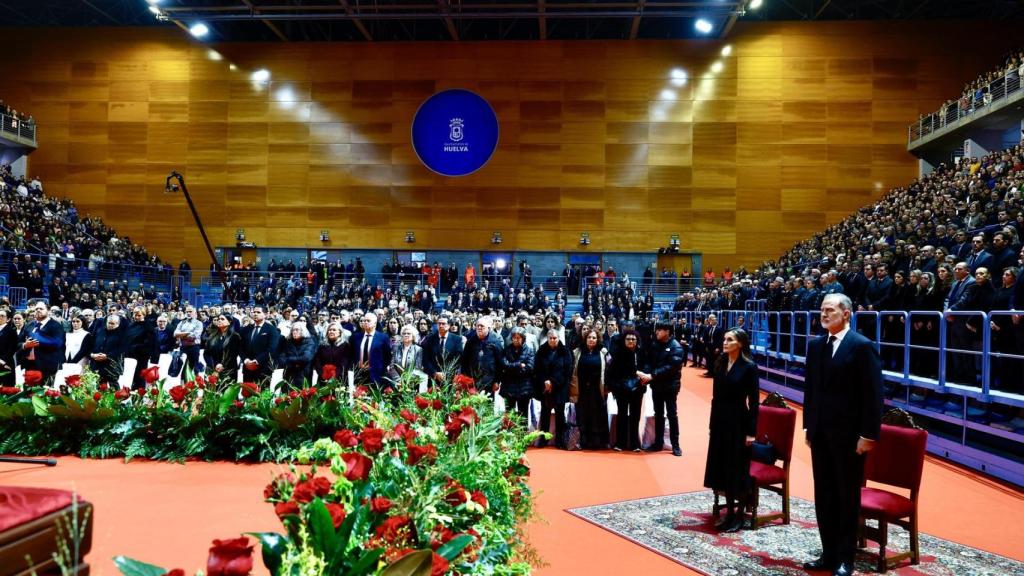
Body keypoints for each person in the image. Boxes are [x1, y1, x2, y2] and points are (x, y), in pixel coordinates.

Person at [802, 293, 883, 576]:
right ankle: (828, 553)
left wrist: (869, 434)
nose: (824, 315)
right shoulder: (815, 346)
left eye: (830, 310)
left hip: (850, 438)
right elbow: (811, 391)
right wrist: (808, 426)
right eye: (822, 310)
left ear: (846, 313)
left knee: (846, 497)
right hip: (821, 435)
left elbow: (873, 395)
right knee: (824, 495)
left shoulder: (862, 346)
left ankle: (845, 559)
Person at [703, 328, 759, 533]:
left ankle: (739, 515)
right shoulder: (720, 363)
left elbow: (754, 403)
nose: (724, 342)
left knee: (737, 469)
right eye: (724, 339)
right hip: (720, 422)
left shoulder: (749, 367)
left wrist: (752, 432)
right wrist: (711, 425)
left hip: (738, 423)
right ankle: (728, 513)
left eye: (730, 340)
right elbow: (715, 398)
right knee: (722, 467)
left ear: (740, 344)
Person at [642, 321, 685, 456]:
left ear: (667, 332)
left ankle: (675, 445)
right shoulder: (655, 344)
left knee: (672, 415)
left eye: (659, 330)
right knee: (658, 415)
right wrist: (646, 373)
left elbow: (671, 368)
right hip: (657, 385)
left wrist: (652, 375)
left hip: (670, 386)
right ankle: (658, 442)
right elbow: (649, 361)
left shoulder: (676, 347)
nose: (656, 332)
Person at [533, 328, 573, 448]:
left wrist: (553, 382)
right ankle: (543, 439)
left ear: (558, 338)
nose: (552, 340)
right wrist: (545, 381)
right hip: (545, 388)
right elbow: (537, 369)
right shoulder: (541, 351)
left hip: (560, 387)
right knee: (544, 414)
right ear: (547, 338)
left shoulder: (565, 351)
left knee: (560, 415)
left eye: (555, 338)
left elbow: (567, 370)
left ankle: (560, 440)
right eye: (550, 338)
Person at [608, 328, 646, 452]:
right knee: (622, 415)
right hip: (622, 389)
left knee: (635, 416)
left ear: (637, 340)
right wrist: (616, 387)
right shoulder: (618, 353)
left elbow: (646, 367)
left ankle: (635, 443)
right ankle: (620, 443)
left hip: (637, 389)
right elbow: (612, 372)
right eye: (628, 339)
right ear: (624, 340)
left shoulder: (641, 352)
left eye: (633, 339)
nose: (631, 341)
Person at [570, 328, 609, 450]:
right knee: (582, 414)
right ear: (585, 339)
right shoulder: (577, 352)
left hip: (597, 390)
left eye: (594, 337)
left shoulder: (603, 352)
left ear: (598, 339)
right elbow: (573, 371)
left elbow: (607, 371)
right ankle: (583, 441)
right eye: (589, 337)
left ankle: (598, 442)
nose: (591, 340)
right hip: (581, 389)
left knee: (597, 416)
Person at [20, 301, 66, 387]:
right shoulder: (29, 325)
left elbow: (58, 343)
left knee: (45, 395)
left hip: (47, 366)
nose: (38, 310)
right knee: (28, 394)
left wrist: (37, 338)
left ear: (48, 311)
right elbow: (18, 342)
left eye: (41, 308)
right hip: (29, 364)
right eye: (36, 309)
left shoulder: (56, 325)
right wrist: (25, 345)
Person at [460, 315, 504, 396]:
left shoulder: (495, 342)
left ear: (488, 328)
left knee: (487, 406)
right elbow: (464, 361)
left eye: (482, 326)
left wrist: (497, 381)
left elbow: (500, 364)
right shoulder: (470, 342)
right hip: (472, 381)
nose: (479, 328)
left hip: (489, 382)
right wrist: (465, 378)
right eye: (477, 326)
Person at [501, 326, 535, 420]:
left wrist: (512, 368)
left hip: (524, 387)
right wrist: (519, 365)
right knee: (508, 414)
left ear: (523, 339)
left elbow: (529, 368)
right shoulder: (507, 350)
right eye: (514, 338)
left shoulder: (530, 350)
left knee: (523, 415)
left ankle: (523, 434)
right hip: (509, 386)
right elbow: (504, 365)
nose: (515, 340)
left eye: (518, 338)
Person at [351, 311, 392, 387]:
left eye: (368, 321)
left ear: (375, 323)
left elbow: (387, 356)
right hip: (359, 374)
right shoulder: (356, 337)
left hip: (376, 375)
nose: (365, 322)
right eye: (364, 320)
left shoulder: (383, 337)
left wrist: (380, 369)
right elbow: (352, 354)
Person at [240, 306, 280, 384]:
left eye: (258, 312)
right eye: (254, 312)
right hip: (247, 368)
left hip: (263, 368)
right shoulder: (246, 329)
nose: (255, 314)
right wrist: (246, 360)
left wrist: (257, 361)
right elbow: (240, 347)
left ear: (265, 314)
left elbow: (272, 349)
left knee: (262, 394)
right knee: (247, 393)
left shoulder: (272, 330)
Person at [421, 314, 464, 385]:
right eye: (439, 324)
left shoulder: (457, 339)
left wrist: (447, 373)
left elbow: (458, 359)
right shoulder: (430, 339)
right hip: (433, 379)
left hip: (450, 379)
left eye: (443, 324)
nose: (441, 326)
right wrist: (435, 373)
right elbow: (426, 360)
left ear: (449, 325)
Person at [204, 313, 241, 387]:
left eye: (222, 319)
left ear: (229, 321)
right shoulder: (212, 336)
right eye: (218, 319)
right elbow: (206, 353)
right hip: (212, 369)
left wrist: (222, 366)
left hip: (228, 370)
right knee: (211, 394)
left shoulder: (235, 337)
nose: (219, 321)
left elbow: (232, 355)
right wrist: (215, 365)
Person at [90, 314, 127, 385]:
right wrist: (93, 355)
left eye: (113, 323)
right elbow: (92, 344)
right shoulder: (100, 331)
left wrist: (107, 356)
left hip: (112, 366)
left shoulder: (122, 334)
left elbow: (121, 349)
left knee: (112, 388)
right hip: (96, 363)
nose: (110, 325)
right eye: (109, 323)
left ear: (118, 324)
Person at [279, 323, 316, 390]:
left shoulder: (310, 342)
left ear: (302, 331)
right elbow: (281, 359)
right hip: (289, 375)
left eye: (297, 330)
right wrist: (294, 363)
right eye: (293, 330)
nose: (294, 332)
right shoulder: (288, 342)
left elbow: (306, 358)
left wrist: (290, 360)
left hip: (303, 375)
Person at [0, 309, 19, 387]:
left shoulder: (11, 331)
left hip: (5, 363)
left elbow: (12, 348)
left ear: (8, 319)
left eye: (2, 316)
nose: (0, 317)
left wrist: (2, 361)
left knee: (6, 387)